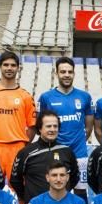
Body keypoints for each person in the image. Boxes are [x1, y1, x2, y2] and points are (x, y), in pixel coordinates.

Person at [37, 56, 93, 189]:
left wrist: (78, 140)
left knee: (81, 192)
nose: (67, 75)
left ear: (74, 73)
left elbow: (89, 127)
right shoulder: (46, 97)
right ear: (56, 73)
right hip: (55, 152)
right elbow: (40, 126)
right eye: (63, 72)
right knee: (54, 190)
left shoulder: (84, 96)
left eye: (70, 72)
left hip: (79, 154)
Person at [0, 51, 36, 180]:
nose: (9, 68)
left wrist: (23, 148)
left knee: (19, 188)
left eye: (13, 65)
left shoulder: (26, 96)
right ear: (0, 67)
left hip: (18, 147)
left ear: (18, 68)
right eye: (6, 65)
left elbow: (32, 126)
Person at [10, 110, 80, 204]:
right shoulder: (26, 152)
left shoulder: (67, 151)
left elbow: (74, 177)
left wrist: (61, 192)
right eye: (48, 126)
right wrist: (28, 197)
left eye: (55, 126)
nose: (52, 129)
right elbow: (15, 180)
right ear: (39, 128)